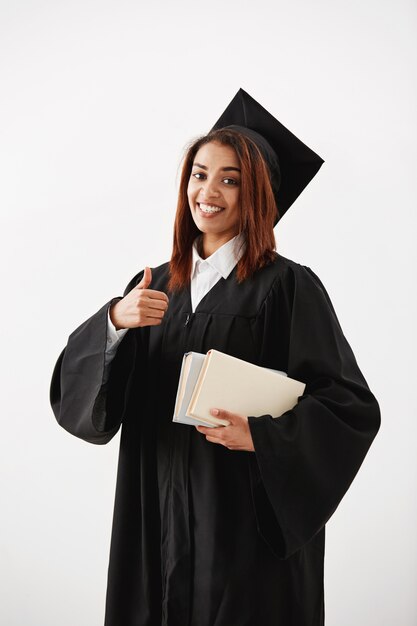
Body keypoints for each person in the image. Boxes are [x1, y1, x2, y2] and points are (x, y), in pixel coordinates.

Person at [50, 88, 380, 626]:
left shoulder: (287, 287)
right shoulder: (153, 285)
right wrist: (113, 322)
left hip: (241, 527)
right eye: (200, 174)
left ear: (258, 196)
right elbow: (84, 399)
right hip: (154, 516)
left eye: (231, 180)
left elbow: (350, 406)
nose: (209, 191)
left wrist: (265, 436)